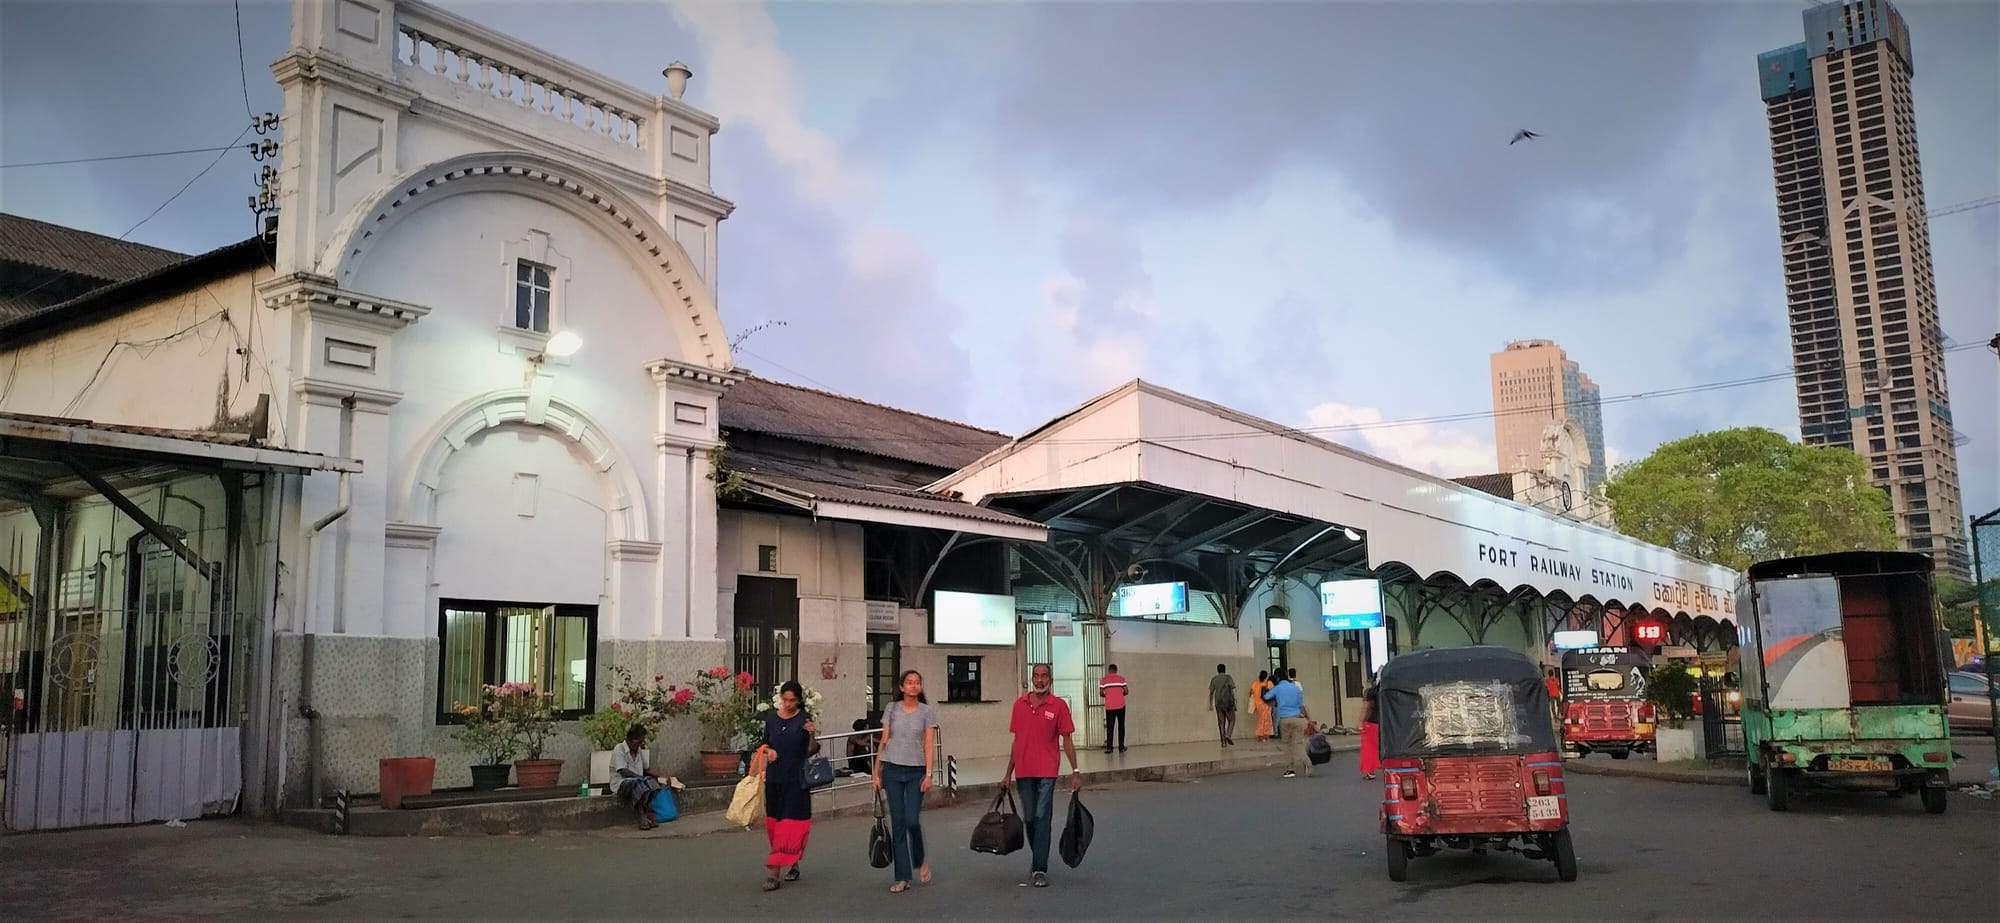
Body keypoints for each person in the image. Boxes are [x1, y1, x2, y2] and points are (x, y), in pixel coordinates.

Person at [1002, 662, 1082, 888]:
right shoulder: (1019, 705)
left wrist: (1075, 771)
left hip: (1047, 770)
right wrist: (1008, 773)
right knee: (1029, 818)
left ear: (1050, 679)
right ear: (1031, 679)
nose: (1040, 680)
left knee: (1041, 816)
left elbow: (1066, 740)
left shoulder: (1058, 706)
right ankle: (1038, 856)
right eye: (1036, 676)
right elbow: (1017, 741)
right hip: (1024, 771)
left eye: (1044, 676)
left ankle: (1039, 868)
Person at [872, 669, 938, 893]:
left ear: (920, 687)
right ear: (901, 687)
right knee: (898, 823)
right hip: (891, 770)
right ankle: (902, 877)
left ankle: (919, 859)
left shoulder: (926, 712)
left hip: (915, 772)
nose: (913, 686)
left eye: (916, 682)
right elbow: (883, 740)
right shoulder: (892, 709)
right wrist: (875, 772)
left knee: (912, 820)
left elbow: (929, 744)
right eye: (908, 682)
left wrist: (929, 774)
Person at [756, 680, 819, 891]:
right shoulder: (772, 719)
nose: (788, 704)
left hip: (796, 781)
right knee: (774, 825)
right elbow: (763, 744)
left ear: (799, 701)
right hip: (774, 779)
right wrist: (768, 751)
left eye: (792, 700)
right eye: (785, 700)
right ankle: (793, 862)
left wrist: (811, 733)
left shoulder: (804, 719)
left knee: (789, 826)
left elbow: (811, 750)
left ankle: (773, 873)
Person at [610, 723, 683, 830]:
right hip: (621, 784)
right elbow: (623, 771)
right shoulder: (619, 749)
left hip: (639, 782)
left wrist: (662, 776)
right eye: (638, 742)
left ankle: (648, 813)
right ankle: (642, 815)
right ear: (631, 740)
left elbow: (647, 769)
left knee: (653, 783)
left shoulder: (638, 750)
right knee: (640, 784)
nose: (639, 745)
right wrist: (641, 778)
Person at [1262, 669, 1313, 778]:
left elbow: (1266, 697)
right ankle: (1308, 764)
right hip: (1298, 719)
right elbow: (1301, 706)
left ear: (1277, 677)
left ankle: (1290, 769)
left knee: (1286, 744)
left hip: (1285, 719)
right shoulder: (1296, 688)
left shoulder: (1278, 688)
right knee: (1298, 743)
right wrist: (1309, 719)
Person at [1098, 664, 1129, 753]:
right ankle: (1121, 747)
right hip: (1121, 706)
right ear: (1116, 670)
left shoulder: (1103, 680)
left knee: (1110, 727)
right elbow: (1126, 691)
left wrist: (1108, 695)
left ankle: (1109, 748)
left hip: (1109, 707)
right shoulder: (1121, 679)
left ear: (1109, 670)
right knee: (1121, 726)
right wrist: (1120, 694)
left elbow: (1101, 693)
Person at [1208, 663, 1237, 746]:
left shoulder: (1214, 679)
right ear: (1225, 670)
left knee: (1221, 723)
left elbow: (1211, 693)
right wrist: (1235, 702)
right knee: (1232, 719)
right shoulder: (1228, 678)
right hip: (1228, 703)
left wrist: (1210, 704)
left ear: (1217, 670)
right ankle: (1228, 735)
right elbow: (1233, 690)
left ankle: (1223, 742)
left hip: (1218, 703)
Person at [1358, 684, 1381, 781]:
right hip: (1382, 722)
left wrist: (1360, 722)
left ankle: (1370, 772)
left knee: (1368, 748)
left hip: (1371, 723)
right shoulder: (1385, 689)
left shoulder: (1370, 692)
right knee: (1379, 746)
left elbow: (1366, 708)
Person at [1249, 670, 1275, 741]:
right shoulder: (1269, 683)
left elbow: (1251, 693)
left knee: (1260, 720)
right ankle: (1266, 735)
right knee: (1267, 720)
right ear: (1266, 676)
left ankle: (1260, 735)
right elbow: (1273, 693)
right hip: (1267, 704)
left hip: (1258, 704)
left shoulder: (1255, 683)